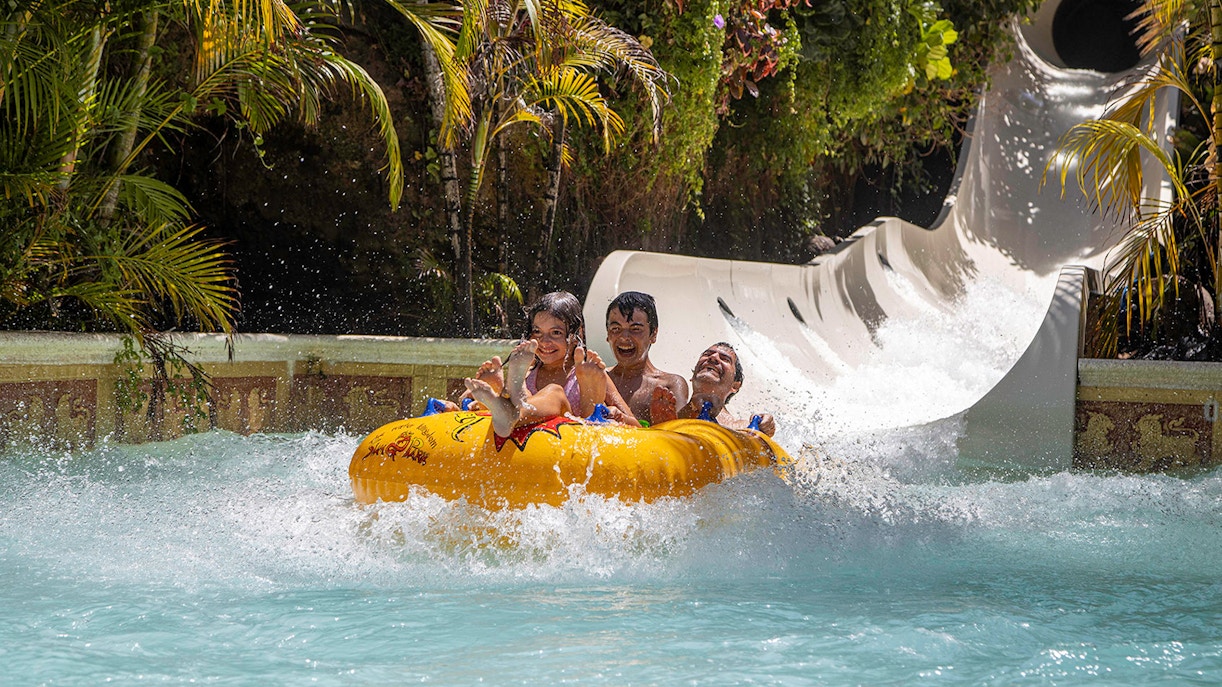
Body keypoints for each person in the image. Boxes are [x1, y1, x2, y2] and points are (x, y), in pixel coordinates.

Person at [463, 291, 637, 437]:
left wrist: (617, 415)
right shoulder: (528, 372)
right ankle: (503, 398)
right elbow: (462, 400)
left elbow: (637, 426)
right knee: (520, 389)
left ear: (577, 335)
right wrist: (473, 402)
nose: (544, 341)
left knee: (555, 393)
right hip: (532, 448)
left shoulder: (592, 373)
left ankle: (513, 410)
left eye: (555, 332)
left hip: (573, 443)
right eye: (537, 332)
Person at [649, 342, 776, 436]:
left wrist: (763, 425)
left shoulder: (741, 426)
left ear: (735, 386)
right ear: (692, 377)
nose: (713, 358)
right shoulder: (668, 411)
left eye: (725, 359)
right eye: (707, 354)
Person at [604, 291, 689, 426]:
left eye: (635, 329)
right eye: (616, 328)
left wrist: (662, 424)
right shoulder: (598, 377)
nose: (624, 337)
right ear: (607, 334)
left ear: (653, 334)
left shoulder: (668, 385)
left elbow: (679, 437)